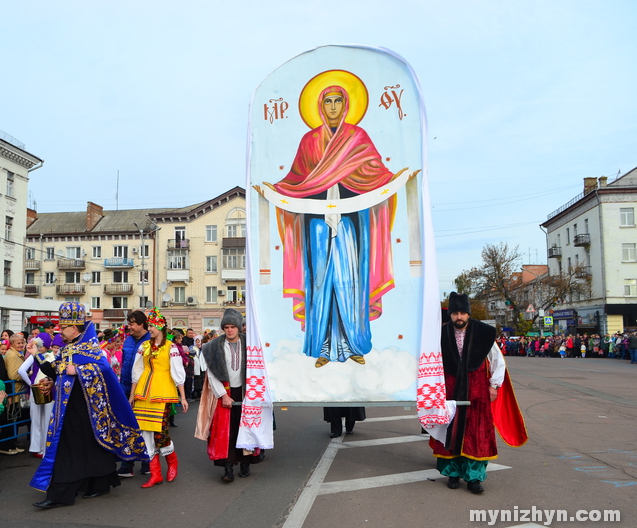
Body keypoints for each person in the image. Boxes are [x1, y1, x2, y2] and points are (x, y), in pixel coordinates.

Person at [261, 83, 410, 367]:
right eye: (327, 101)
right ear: (319, 105)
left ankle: (353, 343)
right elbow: (297, 180)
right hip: (316, 222)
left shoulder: (357, 137)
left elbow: (374, 173)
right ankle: (323, 346)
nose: (332, 107)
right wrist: (274, 189)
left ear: (346, 104)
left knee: (350, 280)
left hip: (350, 223)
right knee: (320, 281)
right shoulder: (309, 141)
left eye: (337, 101)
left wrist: (396, 178)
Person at [30, 302, 147, 509]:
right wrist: (52, 377)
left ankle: (61, 494)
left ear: (74, 328)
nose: (59, 331)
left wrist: (79, 371)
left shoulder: (90, 348)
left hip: (87, 410)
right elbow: (58, 370)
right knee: (86, 447)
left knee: (72, 449)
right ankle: (99, 483)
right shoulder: (68, 348)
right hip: (70, 409)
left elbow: (104, 371)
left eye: (63, 328)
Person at [429, 292, 526, 494]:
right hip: (450, 387)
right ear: (451, 314)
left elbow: (498, 360)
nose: (459, 317)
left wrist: (494, 385)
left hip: (477, 389)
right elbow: (432, 361)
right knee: (451, 429)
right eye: (455, 313)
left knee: (477, 432)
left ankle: (474, 478)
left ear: (469, 314)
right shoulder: (439, 333)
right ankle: (453, 473)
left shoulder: (484, 333)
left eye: (463, 313)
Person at [197, 309, 260, 482]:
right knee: (225, 432)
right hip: (225, 391)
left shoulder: (250, 344)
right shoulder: (213, 346)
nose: (230, 330)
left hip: (246, 391)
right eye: (226, 327)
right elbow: (212, 374)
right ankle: (228, 467)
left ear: (239, 327)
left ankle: (246, 461)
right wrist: (223, 395)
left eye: (233, 326)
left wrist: (254, 393)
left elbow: (259, 368)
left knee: (246, 428)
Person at [129, 308, 187, 488]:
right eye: (149, 326)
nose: (150, 329)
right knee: (145, 432)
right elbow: (136, 371)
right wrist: (132, 395)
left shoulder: (171, 348)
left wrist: (183, 397)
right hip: (143, 393)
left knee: (160, 433)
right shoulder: (144, 346)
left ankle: (172, 463)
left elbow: (178, 372)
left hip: (162, 392)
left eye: (153, 326)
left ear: (161, 326)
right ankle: (155, 474)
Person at [117, 310, 152, 478]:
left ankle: (147, 461)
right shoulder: (128, 340)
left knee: (144, 426)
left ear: (141, 324)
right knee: (126, 425)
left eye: (131, 323)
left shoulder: (151, 340)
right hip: (125, 387)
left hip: (144, 388)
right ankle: (127, 463)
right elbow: (124, 362)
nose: (128, 326)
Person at [18, 333, 54, 458]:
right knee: (46, 420)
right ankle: (45, 449)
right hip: (48, 390)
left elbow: (21, 370)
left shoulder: (34, 356)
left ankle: (36, 447)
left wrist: (31, 384)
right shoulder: (52, 356)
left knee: (36, 419)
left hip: (37, 390)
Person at [3, 333, 27, 454]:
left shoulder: (16, 354)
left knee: (15, 417)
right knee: (12, 417)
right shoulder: (12, 355)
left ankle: (13, 442)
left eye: (22, 342)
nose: (21, 345)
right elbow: (13, 375)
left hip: (17, 390)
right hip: (15, 391)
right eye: (18, 343)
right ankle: (8, 445)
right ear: (12, 344)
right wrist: (28, 374)